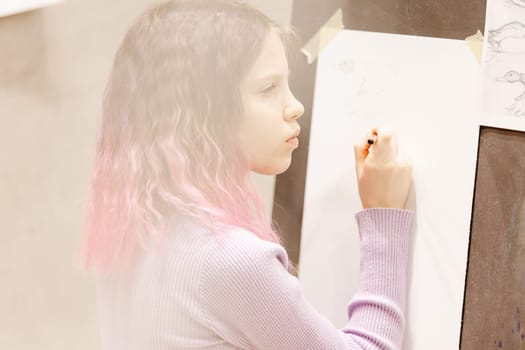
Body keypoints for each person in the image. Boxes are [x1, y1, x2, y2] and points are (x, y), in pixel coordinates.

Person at [81, 0, 413, 349]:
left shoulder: (135, 229)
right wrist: (383, 216)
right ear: (203, 111)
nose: (295, 106)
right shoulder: (234, 261)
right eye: (269, 89)